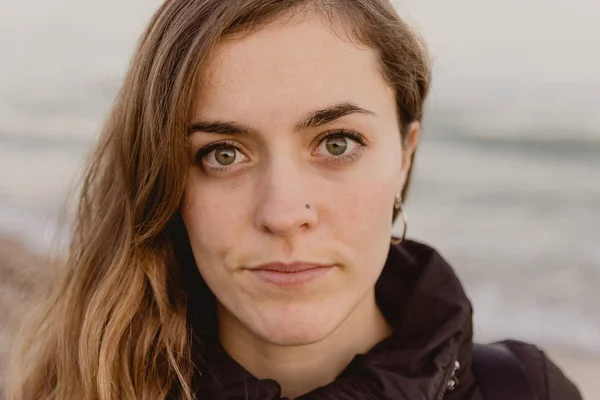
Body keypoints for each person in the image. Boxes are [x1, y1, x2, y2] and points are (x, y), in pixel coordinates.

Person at [6, 0, 583, 399]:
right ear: (166, 179)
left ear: (405, 153)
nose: (283, 213)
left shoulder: (525, 391)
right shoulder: (79, 388)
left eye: (337, 143)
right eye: (223, 153)